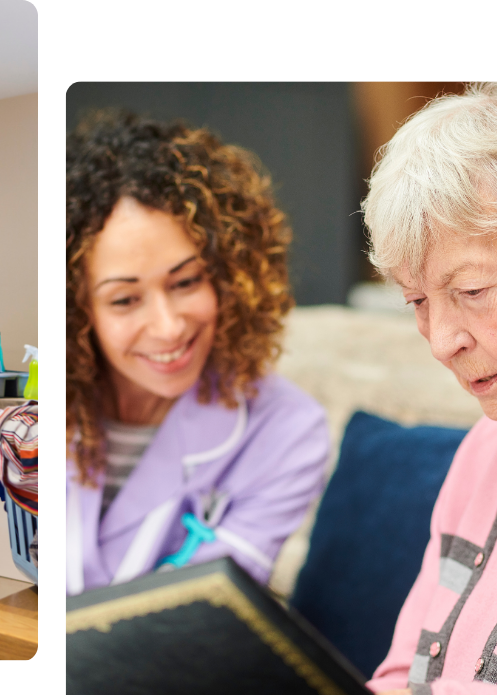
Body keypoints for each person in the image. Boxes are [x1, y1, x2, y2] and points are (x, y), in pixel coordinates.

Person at [65, 109, 329, 598]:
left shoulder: (289, 431)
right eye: (124, 299)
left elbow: (193, 621)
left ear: (229, 276)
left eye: (186, 281)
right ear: (78, 313)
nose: (168, 328)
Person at [362, 81, 497, 695]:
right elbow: (403, 673)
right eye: (416, 301)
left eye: (469, 291)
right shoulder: (482, 450)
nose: (441, 341)